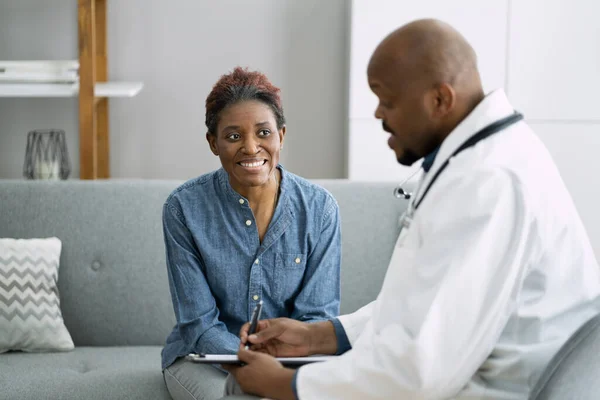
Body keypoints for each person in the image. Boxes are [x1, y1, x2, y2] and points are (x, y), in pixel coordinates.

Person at [222, 19, 600, 400]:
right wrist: (319, 335)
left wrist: (288, 384)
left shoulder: (489, 181)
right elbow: (429, 306)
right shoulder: (481, 162)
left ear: (440, 99)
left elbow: (422, 371)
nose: (377, 113)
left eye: (387, 99)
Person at [160, 67, 342, 400]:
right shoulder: (183, 209)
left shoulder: (320, 209)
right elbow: (198, 324)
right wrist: (251, 362)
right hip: (204, 360)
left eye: (263, 133)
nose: (250, 147)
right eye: (233, 136)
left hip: (292, 359)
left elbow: (317, 316)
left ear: (281, 136)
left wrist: (277, 368)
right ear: (213, 142)